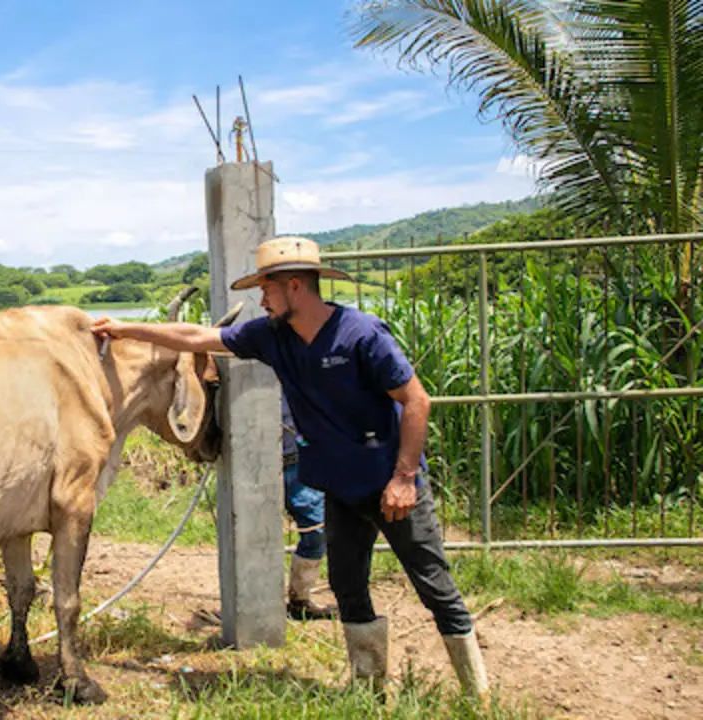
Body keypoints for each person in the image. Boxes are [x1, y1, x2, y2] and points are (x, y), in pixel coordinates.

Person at [91, 236, 489, 699]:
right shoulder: (272, 337)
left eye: (266, 289)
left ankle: (477, 696)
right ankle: (368, 689)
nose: (261, 299)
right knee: (347, 585)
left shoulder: (362, 334)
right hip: (341, 488)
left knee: (433, 583)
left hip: (389, 484)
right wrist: (124, 329)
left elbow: (417, 400)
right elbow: (198, 338)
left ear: (295, 286)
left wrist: (404, 478)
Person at [279, 391, 337, 622]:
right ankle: (252, 604)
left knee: (317, 527)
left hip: (295, 460)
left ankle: (300, 600)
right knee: (252, 536)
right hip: (250, 461)